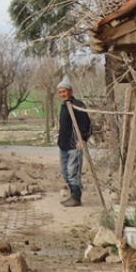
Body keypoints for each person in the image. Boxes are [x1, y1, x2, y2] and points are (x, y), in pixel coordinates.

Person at [57, 78, 93, 207]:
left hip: (74, 144)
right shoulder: (64, 105)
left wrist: (83, 139)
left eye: (64, 91)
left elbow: (87, 124)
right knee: (64, 172)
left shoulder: (77, 104)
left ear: (71, 91)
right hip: (63, 145)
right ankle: (73, 193)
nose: (62, 94)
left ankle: (76, 198)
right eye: (60, 92)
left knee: (73, 172)